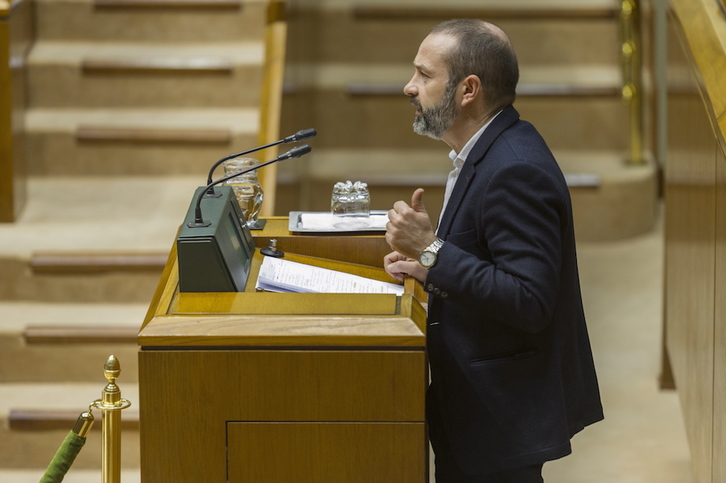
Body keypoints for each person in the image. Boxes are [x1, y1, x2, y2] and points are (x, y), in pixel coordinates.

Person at [384, 19, 604, 482]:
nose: (409, 87)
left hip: (501, 415)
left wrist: (431, 249)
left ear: (468, 89)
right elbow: (488, 263)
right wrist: (426, 265)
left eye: (424, 75)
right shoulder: (486, 148)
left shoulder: (515, 169)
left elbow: (529, 299)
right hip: (476, 409)